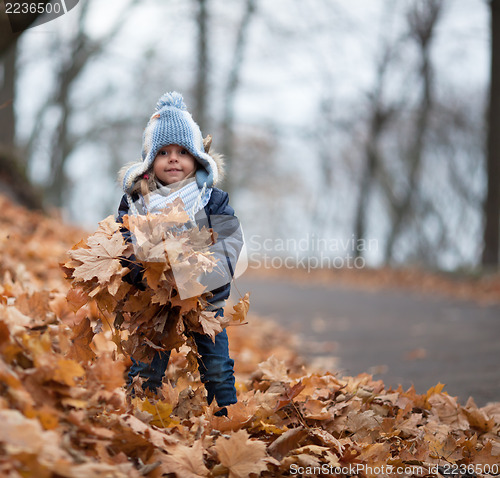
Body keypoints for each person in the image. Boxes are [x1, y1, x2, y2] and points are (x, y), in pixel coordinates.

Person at [115, 91, 243, 416]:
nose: (173, 158)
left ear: (197, 157)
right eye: (164, 152)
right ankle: (139, 418)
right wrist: (143, 273)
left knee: (216, 368)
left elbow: (230, 244)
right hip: (153, 301)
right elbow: (122, 242)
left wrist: (202, 278)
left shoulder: (211, 200)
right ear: (150, 160)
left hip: (204, 299)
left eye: (183, 151)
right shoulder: (137, 202)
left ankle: (225, 420)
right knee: (146, 366)